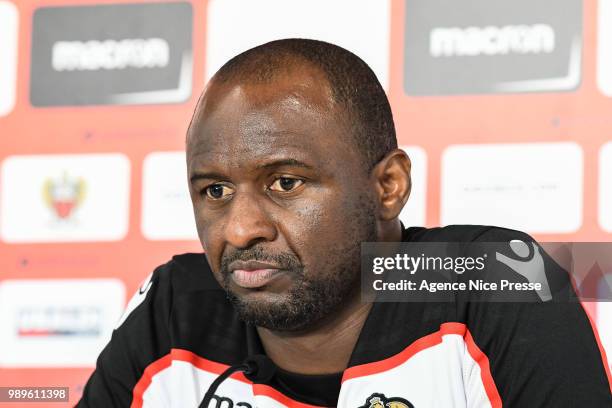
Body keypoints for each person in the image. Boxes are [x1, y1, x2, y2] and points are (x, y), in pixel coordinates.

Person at [77, 39, 612, 407]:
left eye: (286, 183)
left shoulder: (494, 281)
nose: (240, 230)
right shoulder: (176, 309)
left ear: (388, 187)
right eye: (215, 191)